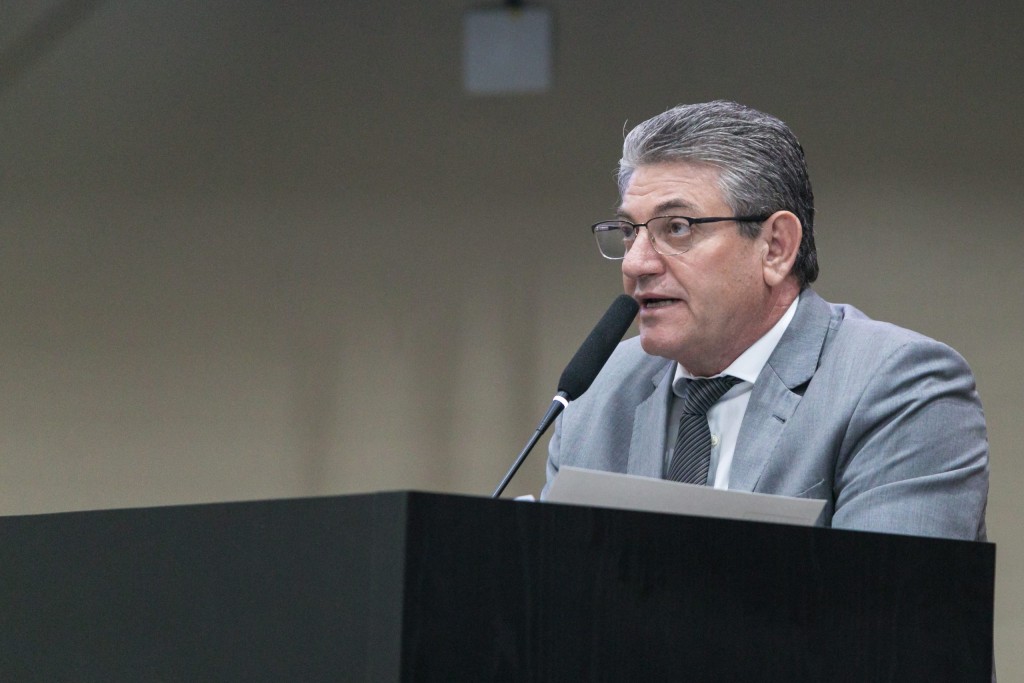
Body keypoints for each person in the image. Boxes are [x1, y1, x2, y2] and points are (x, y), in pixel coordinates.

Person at [542, 100, 988, 540]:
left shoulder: (899, 387)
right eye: (628, 232)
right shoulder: (594, 392)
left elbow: (886, 587)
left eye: (677, 228)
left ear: (775, 247)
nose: (636, 263)